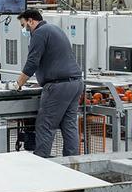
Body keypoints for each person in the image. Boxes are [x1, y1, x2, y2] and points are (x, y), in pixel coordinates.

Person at [13, 9, 85, 157]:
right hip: (75, 83)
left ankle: (41, 163)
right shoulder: (54, 29)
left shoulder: (39, 33)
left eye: (23, 25)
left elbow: (32, 62)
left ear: (31, 21)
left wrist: (18, 84)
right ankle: (72, 164)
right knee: (69, 126)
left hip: (58, 87)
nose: (23, 29)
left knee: (46, 125)